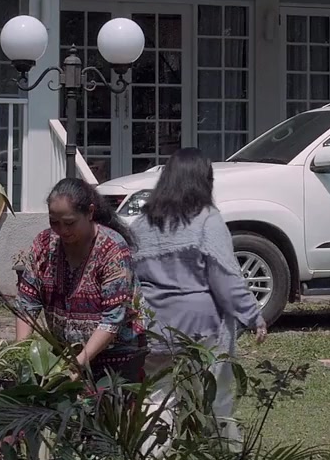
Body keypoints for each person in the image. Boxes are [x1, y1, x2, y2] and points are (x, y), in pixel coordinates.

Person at [130, 147, 267, 442]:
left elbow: (132, 276)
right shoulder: (207, 220)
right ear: (205, 180)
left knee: (157, 400)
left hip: (154, 328)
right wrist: (253, 315)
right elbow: (225, 278)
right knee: (212, 400)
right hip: (201, 330)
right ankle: (220, 458)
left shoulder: (142, 223)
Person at [15, 177, 146, 383]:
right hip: (65, 355)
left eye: (70, 223)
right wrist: (20, 355)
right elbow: (27, 304)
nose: (62, 231)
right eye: (54, 222)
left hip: (116, 359)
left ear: (90, 212)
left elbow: (113, 318)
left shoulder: (113, 250)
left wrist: (81, 361)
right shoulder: (44, 245)